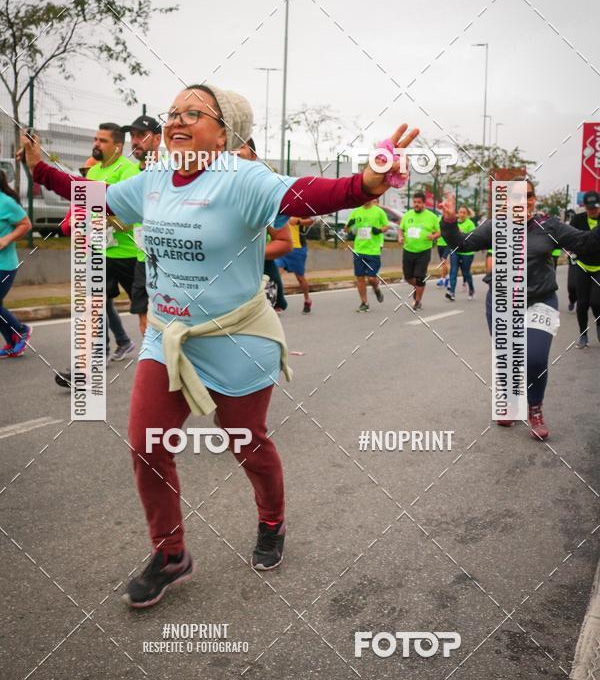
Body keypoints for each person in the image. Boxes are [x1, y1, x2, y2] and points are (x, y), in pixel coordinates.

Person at [20, 87, 418, 608]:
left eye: (193, 113)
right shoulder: (155, 179)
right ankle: (170, 555)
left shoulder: (243, 179)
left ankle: (272, 521)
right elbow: (88, 195)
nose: (176, 121)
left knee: (247, 442)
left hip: (236, 336)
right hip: (168, 336)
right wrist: (39, 167)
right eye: (173, 113)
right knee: (148, 445)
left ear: (224, 132)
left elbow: (310, 195)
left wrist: (366, 182)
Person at [440, 181, 600, 440]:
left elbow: (587, 243)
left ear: (534, 200)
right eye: (516, 196)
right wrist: (448, 222)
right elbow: (461, 244)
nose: (522, 201)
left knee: (535, 358)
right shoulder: (495, 227)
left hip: (540, 300)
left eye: (527, 196)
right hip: (502, 302)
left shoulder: (549, 226)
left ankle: (534, 409)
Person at [87, 123, 140, 361]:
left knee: (146, 309)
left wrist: (103, 222)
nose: (96, 144)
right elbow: (86, 211)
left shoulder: (129, 171)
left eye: (103, 140)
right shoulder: (92, 173)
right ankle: (97, 354)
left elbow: (129, 219)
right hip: (101, 250)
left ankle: (154, 352)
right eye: (96, 139)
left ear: (117, 147)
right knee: (96, 301)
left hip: (129, 254)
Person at [237, 139, 292, 312]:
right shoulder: (205, 190)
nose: (233, 152)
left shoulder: (263, 193)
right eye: (226, 147)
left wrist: (242, 254)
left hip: (258, 280)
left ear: (253, 156)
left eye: (239, 146)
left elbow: (284, 242)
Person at [122, 115, 162, 336]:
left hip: (168, 259)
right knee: (145, 322)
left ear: (157, 139)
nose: (135, 141)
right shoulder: (129, 173)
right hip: (141, 258)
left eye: (141, 135)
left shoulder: (170, 170)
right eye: (132, 136)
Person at [0, 169, 32, 358]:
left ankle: (20, 331)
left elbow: (26, 224)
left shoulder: (6, 202)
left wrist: (6, 239)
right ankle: (13, 341)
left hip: (4, 265)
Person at [398, 191, 440, 310]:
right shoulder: (407, 215)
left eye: (419, 202)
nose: (416, 204)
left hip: (424, 251)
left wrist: (433, 236)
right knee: (408, 277)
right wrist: (400, 237)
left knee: (420, 277)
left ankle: (417, 301)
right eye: (415, 202)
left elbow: (439, 232)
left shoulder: (432, 216)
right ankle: (419, 286)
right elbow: (401, 229)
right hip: (408, 250)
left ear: (424, 203)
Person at [345, 199, 389, 312]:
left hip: (373, 250)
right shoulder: (356, 211)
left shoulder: (378, 211)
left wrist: (378, 230)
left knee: (371, 278)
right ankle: (364, 303)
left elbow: (386, 226)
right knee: (360, 277)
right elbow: (346, 229)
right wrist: (349, 225)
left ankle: (376, 288)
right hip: (359, 249)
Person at [569, 191, 600, 349]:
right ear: (584, 207)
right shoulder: (578, 220)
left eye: (595, 208)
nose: (593, 211)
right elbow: (571, 240)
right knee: (582, 303)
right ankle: (583, 334)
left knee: (596, 301)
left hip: (599, 268)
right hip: (582, 266)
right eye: (589, 208)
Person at [276, 217, 314, 313]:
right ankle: (277, 303)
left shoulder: (300, 208)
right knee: (276, 276)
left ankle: (307, 300)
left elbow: (311, 221)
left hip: (297, 249)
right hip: (282, 247)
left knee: (300, 278)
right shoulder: (281, 209)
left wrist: (299, 221)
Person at [445, 206, 476, 301]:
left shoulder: (470, 224)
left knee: (466, 273)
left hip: (467, 252)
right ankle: (452, 293)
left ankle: (471, 289)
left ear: (467, 214)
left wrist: (463, 234)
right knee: (453, 270)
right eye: (460, 212)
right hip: (455, 250)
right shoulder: (454, 223)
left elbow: (474, 238)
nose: (462, 214)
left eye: (464, 213)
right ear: (457, 213)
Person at [436, 214, 450, 288]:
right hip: (439, 244)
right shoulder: (438, 219)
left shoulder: (451, 220)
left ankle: (442, 279)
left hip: (448, 244)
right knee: (443, 262)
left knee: (444, 260)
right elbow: (435, 230)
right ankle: (447, 277)